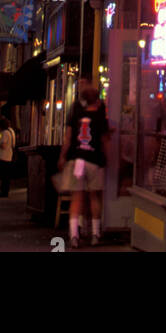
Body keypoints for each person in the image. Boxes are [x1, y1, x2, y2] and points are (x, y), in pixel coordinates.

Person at [57, 83, 110, 248]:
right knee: (95, 197)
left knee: (76, 198)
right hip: (94, 159)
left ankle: (74, 235)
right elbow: (105, 141)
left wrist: (62, 157)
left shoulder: (76, 116)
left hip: (76, 160)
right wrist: (108, 159)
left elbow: (67, 139)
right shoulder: (101, 119)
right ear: (97, 100)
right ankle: (95, 234)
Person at [0, 116, 16, 197]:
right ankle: (5, 191)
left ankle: (3, 192)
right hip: (10, 155)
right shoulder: (11, 131)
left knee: (4, 176)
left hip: (4, 156)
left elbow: (3, 144)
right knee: (7, 176)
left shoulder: (5, 133)